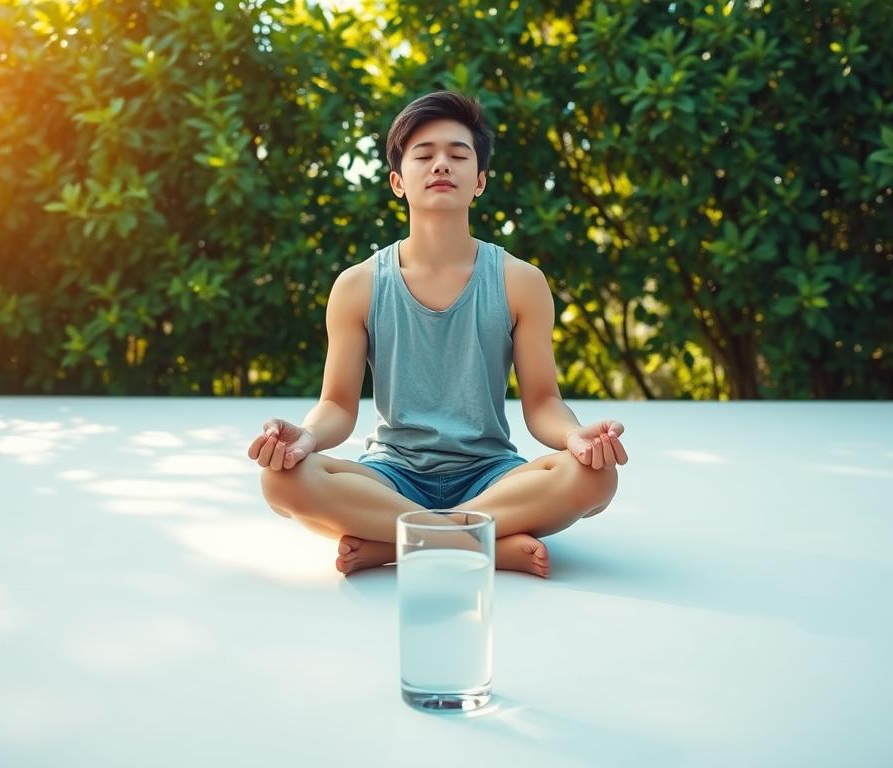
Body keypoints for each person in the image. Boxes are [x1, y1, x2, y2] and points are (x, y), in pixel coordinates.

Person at [248, 90, 627, 578]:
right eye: (424, 156)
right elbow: (338, 407)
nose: (441, 165)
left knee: (595, 478)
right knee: (281, 482)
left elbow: (542, 403)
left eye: (458, 154)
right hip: (391, 477)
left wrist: (576, 436)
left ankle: (399, 544)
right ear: (397, 181)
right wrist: (306, 436)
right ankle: (479, 543)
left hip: (491, 477)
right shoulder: (358, 285)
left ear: (480, 181)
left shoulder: (521, 282)